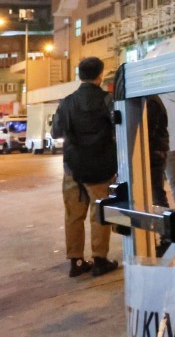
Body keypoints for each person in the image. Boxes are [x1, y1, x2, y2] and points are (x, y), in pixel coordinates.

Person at [51, 57, 120, 278]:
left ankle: (77, 261)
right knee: (99, 213)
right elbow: (119, 128)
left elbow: (55, 132)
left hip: (73, 168)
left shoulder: (66, 102)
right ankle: (99, 260)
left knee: (74, 214)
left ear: (79, 75)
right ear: (100, 75)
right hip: (101, 168)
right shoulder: (108, 100)